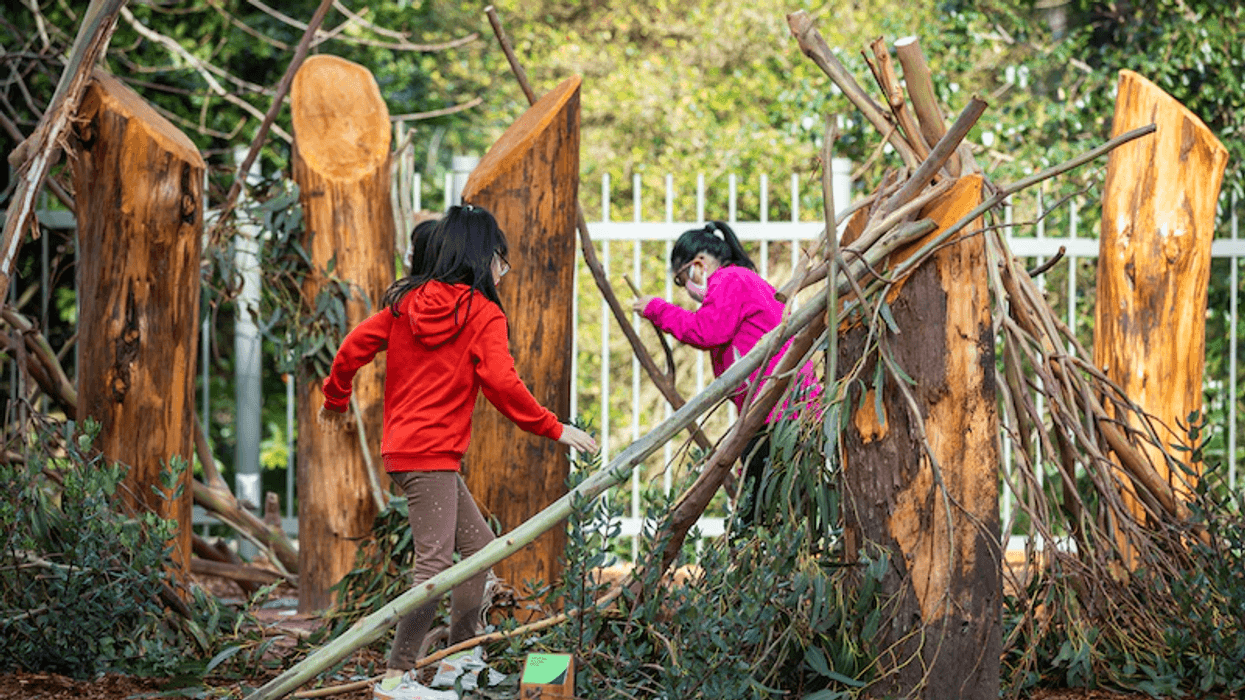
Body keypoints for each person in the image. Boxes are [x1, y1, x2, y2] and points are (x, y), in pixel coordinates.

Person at [320, 203, 597, 700]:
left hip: (411, 452)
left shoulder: (405, 306)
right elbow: (502, 383)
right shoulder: (482, 313)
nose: (502, 271)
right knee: (432, 567)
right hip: (430, 457)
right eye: (501, 260)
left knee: (480, 551)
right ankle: (396, 678)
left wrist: (336, 397)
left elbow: (352, 348)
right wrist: (554, 428)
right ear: (484, 257)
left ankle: (459, 661)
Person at [631, 221, 817, 532]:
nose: (687, 291)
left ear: (698, 265)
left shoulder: (729, 280)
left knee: (758, 519)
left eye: (682, 280)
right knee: (767, 510)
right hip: (775, 412)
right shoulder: (743, 281)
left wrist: (658, 309)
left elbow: (706, 331)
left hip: (778, 415)